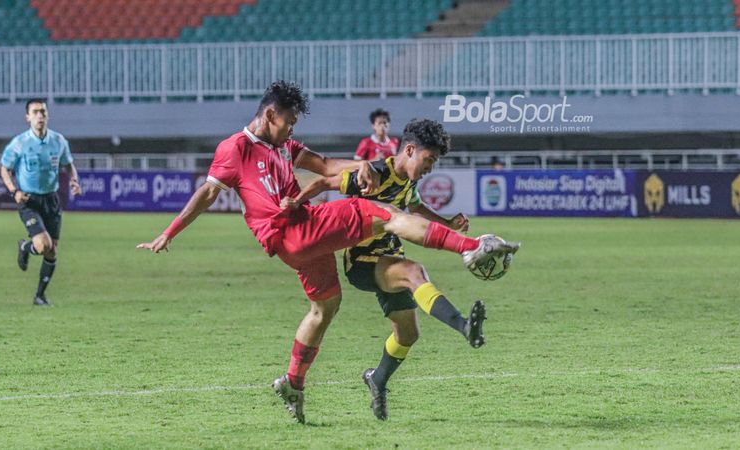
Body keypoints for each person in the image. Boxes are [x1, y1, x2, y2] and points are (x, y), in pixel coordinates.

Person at [136, 81, 519, 424]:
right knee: (386, 214)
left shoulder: (285, 144)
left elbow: (324, 165)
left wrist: (362, 163)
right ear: (269, 114)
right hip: (292, 231)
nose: (292, 128)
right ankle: (473, 248)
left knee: (326, 306)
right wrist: (170, 232)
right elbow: (208, 192)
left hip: (302, 240)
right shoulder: (235, 148)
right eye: (289, 121)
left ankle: (293, 382)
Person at [284, 118, 488, 421]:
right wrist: (296, 201)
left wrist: (447, 223)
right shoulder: (375, 173)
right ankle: (463, 327)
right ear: (409, 149)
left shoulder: (409, 182)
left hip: (388, 256)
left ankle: (377, 379)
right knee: (414, 271)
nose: (431, 167)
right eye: (428, 159)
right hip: (363, 260)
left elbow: (415, 207)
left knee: (407, 334)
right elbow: (325, 182)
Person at [0, 99, 82, 307]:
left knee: (52, 250)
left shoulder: (58, 141)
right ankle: (28, 246)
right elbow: (4, 169)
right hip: (29, 200)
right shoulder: (19, 143)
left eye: (43, 112)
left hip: (51, 199)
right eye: (35, 112)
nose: (40, 116)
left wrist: (74, 180)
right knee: (43, 244)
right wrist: (13, 191)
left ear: (48, 115)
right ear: (27, 117)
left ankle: (40, 296)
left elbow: (68, 165)